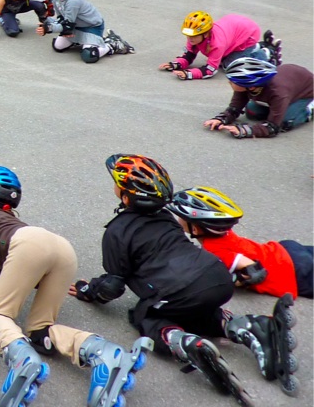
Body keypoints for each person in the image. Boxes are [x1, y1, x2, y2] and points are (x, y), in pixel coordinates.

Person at [70, 154, 299, 401]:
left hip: (181, 289)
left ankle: (185, 343)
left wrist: (88, 291)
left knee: (145, 316)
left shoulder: (117, 232)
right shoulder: (167, 217)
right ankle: (247, 325)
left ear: (125, 198)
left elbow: (112, 287)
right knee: (189, 307)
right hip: (218, 275)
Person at [0, 166, 152, 407]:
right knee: (41, 332)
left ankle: (23, 361)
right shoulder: (11, 221)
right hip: (62, 250)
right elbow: (0, 263)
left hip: (28, 246)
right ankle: (103, 353)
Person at [167, 186, 313, 299]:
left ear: (195, 229)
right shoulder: (224, 232)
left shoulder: (215, 251)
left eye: (182, 218)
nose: (178, 220)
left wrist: (234, 280)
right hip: (285, 250)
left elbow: (255, 271)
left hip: (290, 271)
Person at [35, 0, 133, 63]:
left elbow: (67, 25)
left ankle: (112, 43)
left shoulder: (73, 0)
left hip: (91, 27)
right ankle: (79, 41)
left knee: (89, 55)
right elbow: (61, 18)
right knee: (58, 46)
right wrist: (47, 21)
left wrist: (49, 28)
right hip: (76, 25)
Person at [203, 57, 313, 139]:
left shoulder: (278, 93)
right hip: (290, 88)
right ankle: (281, 109)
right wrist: (220, 119)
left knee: (285, 122)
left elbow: (272, 128)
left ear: (251, 85)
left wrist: (245, 130)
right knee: (252, 111)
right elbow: (234, 108)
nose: (229, 83)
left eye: (232, 81)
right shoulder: (248, 86)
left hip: (306, 93)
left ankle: (309, 108)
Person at [159, 12, 278, 81]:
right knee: (223, 60)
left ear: (206, 34)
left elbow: (210, 70)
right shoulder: (194, 37)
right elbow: (189, 56)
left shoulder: (217, 43)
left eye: (193, 36)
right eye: (188, 35)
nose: (190, 39)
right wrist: (176, 64)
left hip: (248, 34)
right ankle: (259, 46)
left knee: (230, 66)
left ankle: (267, 52)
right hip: (235, 31)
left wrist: (188, 74)